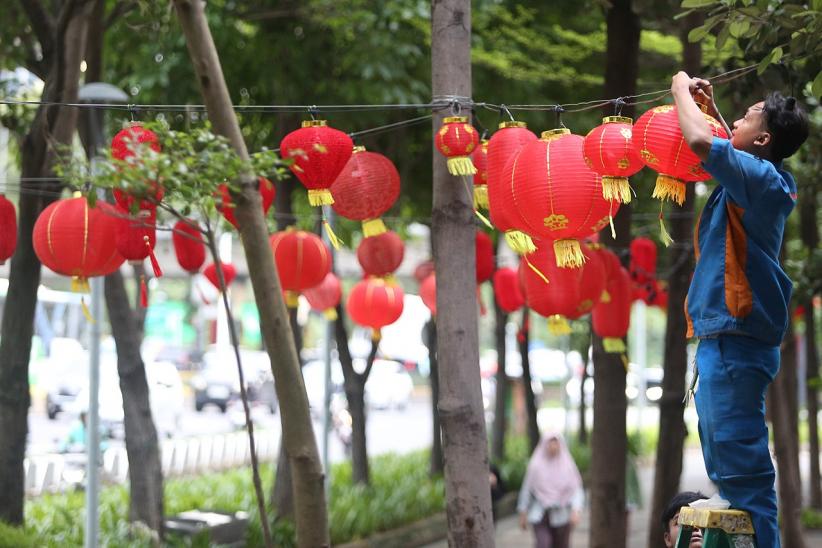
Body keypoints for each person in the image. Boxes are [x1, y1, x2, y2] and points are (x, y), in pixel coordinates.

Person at [671, 71, 810, 548]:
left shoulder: (762, 182)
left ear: (765, 138)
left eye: (747, 116)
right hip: (726, 340)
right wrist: (706, 106)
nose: (734, 119)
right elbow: (727, 144)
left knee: (744, 479)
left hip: (734, 341)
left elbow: (698, 141)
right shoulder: (757, 178)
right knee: (730, 473)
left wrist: (677, 85)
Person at [517, 432, 584, 548]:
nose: (553, 447)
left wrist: (576, 510)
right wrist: (523, 512)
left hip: (563, 515)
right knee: (543, 544)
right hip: (540, 514)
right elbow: (527, 489)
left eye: (556, 443)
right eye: (550, 443)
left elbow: (576, 489)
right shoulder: (535, 466)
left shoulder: (568, 465)